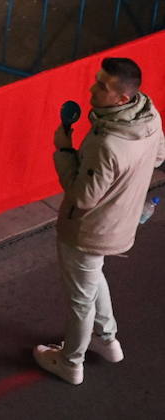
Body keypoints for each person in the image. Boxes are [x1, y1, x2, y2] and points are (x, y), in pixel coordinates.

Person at [34, 57, 165, 384]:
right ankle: (107, 339)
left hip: (89, 230)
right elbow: (159, 157)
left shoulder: (108, 142)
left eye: (102, 86)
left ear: (122, 98)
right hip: (121, 223)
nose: (92, 88)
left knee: (80, 300)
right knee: (92, 277)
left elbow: (82, 197)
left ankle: (70, 362)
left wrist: (64, 151)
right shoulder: (149, 116)